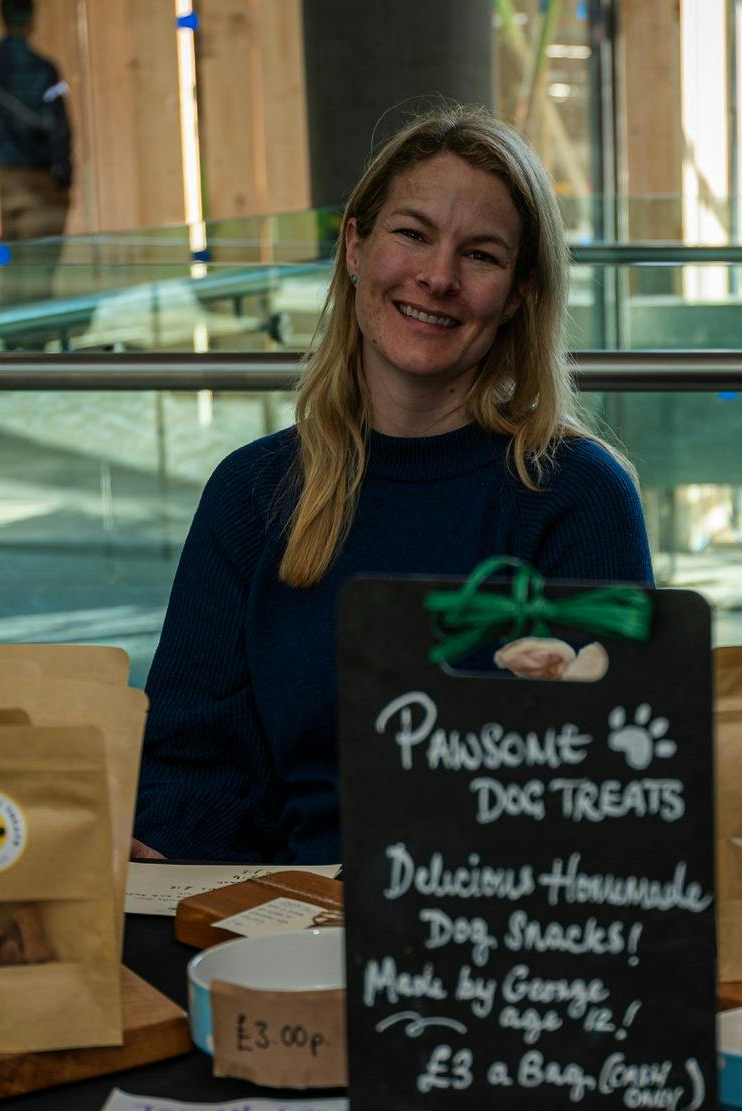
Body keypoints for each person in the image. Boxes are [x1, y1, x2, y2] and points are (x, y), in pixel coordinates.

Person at [133, 109, 651, 863]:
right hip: (288, 907)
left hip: (500, 912)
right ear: (355, 246)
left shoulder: (580, 497)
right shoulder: (252, 493)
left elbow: (618, 787)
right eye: (412, 234)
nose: (438, 278)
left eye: (480, 255)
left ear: (517, 294)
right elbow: (189, 768)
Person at [0, 0, 73, 344]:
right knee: (39, 269)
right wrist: (61, 178)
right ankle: (33, 341)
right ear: (32, 19)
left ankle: (11, 341)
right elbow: (59, 130)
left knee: (7, 269)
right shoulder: (42, 69)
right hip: (38, 181)